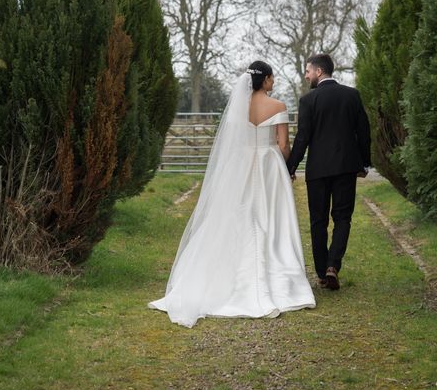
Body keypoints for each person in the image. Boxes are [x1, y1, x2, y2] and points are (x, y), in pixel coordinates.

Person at [149, 60, 315, 328]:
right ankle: (279, 275)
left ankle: (230, 273)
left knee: (239, 215)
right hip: (268, 164)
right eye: (272, 78)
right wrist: (285, 164)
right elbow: (283, 144)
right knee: (271, 218)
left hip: (241, 164)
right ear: (265, 80)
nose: (274, 83)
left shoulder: (239, 107)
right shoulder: (278, 107)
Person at [287, 53, 371, 291]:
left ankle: (322, 273)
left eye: (307, 71)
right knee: (343, 218)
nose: (306, 75)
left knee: (318, 220)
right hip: (346, 167)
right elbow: (364, 131)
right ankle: (333, 265)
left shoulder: (308, 100)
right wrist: (364, 163)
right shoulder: (351, 95)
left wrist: (290, 167)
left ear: (319, 72)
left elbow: (302, 137)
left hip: (318, 170)